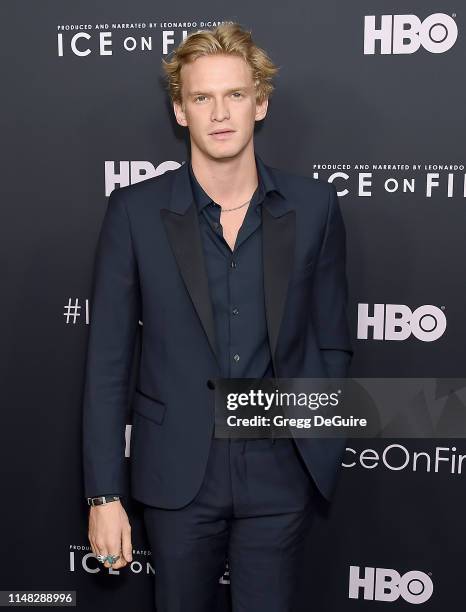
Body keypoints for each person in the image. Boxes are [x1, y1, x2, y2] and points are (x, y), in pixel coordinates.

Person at [82, 22, 353, 611]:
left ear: (261, 102)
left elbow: (332, 339)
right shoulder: (135, 211)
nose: (220, 113)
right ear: (180, 111)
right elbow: (108, 361)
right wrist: (104, 494)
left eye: (235, 94)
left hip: (281, 472)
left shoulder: (314, 208)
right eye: (202, 97)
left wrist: (318, 437)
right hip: (177, 474)